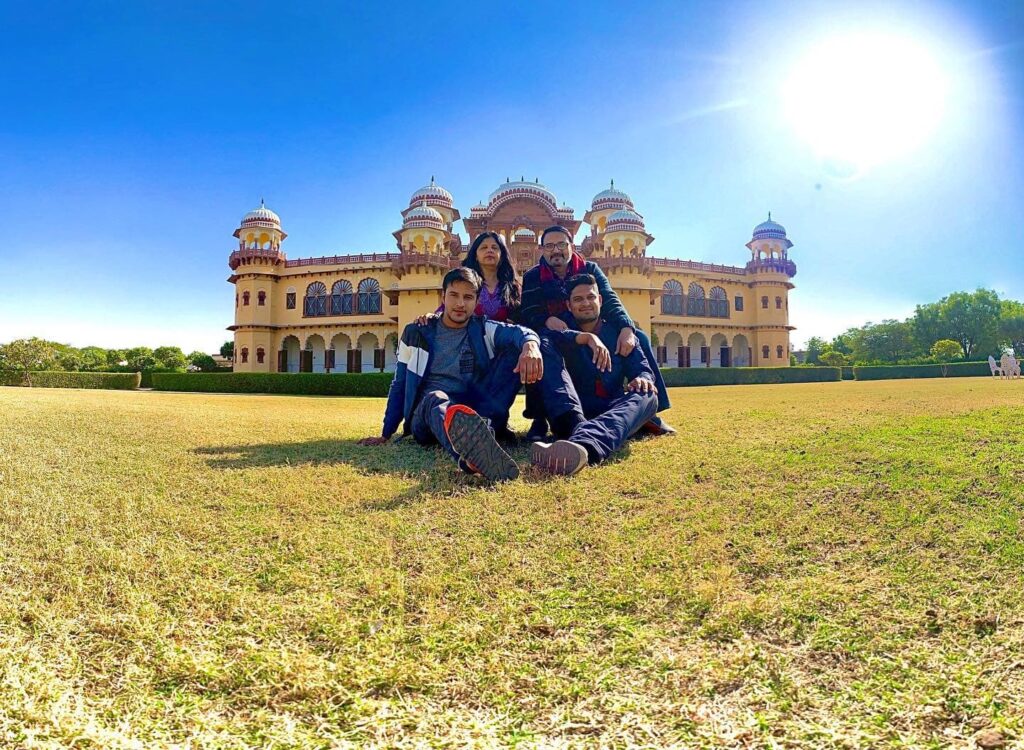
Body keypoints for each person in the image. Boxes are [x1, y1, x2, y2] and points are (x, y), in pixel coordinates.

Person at [359, 268, 542, 482]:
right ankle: (469, 457)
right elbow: (399, 383)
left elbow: (521, 332)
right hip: (426, 417)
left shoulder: (482, 329)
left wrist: (530, 346)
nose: (460, 304)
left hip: (471, 411)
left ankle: (483, 430)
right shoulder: (416, 333)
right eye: (454, 295)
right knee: (435, 398)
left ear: (476, 301)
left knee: (514, 349)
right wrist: (386, 433)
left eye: (468, 297)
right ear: (443, 296)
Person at [520, 225, 674, 438]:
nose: (556, 250)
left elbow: (609, 299)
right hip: (557, 330)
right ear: (542, 250)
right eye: (549, 246)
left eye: (561, 244)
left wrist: (627, 328)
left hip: (589, 324)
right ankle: (539, 417)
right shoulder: (534, 276)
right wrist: (546, 319)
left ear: (571, 246)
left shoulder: (589, 268)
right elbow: (527, 311)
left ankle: (651, 411)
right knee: (538, 348)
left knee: (640, 338)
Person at [530, 274, 659, 475]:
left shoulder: (620, 334)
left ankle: (583, 444)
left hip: (610, 410)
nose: (586, 304)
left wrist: (643, 378)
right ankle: (582, 438)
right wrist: (583, 338)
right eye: (578, 299)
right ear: (569, 305)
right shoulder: (560, 328)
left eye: (590, 297)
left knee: (649, 396)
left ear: (600, 300)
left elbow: (642, 368)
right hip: (572, 412)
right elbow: (546, 341)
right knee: (544, 347)